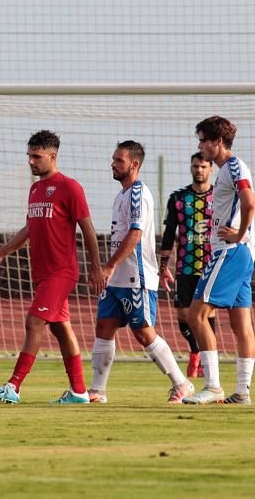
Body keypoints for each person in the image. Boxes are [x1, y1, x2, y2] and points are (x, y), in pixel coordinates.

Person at [0, 130, 104, 404]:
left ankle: (13, 386)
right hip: (42, 272)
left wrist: (95, 267)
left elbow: (88, 229)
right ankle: (79, 392)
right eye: (29, 156)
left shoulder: (70, 187)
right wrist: (1, 253)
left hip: (61, 272)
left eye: (36, 157)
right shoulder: (35, 189)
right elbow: (29, 227)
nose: (31, 162)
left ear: (53, 156)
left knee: (34, 321)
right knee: (60, 329)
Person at [88, 140, 194, 403]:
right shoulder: (121, 194)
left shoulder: (138, 192)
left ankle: (182, 384)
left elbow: (135, 234)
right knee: (104, 327)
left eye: (119, 160)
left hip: (136, 277)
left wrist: (109, 266)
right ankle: (97, 391)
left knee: (143, 332)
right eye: (113, 159)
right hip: (116, 280)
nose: (113, 164)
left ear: (134, 165)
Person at [184, 116, 255, 405]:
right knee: (242, 325)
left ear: (218, 141)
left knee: (195, 314)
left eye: (203, 140)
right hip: (242, 254)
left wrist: (238, 234)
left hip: (230, 252)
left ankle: (213, 386)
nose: (201, 146)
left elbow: (250, 202)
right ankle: (242, 391)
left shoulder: (233, 166)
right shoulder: (229, 169)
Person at [159, 153, 216, 378]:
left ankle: (200, 362)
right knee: (183, 317)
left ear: (211, 168)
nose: (199, 170)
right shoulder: (178, 199)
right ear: (190, 167)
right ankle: (196, 351)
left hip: (211, 267)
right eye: (195, 166)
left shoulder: (220, 197)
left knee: (206, 315)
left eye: (203, 166)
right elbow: (168, 235)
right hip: (185, 266)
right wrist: (164, 266)